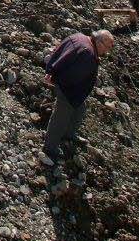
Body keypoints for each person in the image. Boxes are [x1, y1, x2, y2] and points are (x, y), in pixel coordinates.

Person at [42, 29, 115, 163]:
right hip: (68, 91)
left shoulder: (79, 37)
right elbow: (73, 78)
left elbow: (60, 48)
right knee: (60, 118)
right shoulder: (88, 54)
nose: (106, 52)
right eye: (107, 48)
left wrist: (51, 69)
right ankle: (50, 148)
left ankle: (69, 134)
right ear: (100, 42)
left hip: (68, 87)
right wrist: (64, 87)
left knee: (80, 110)